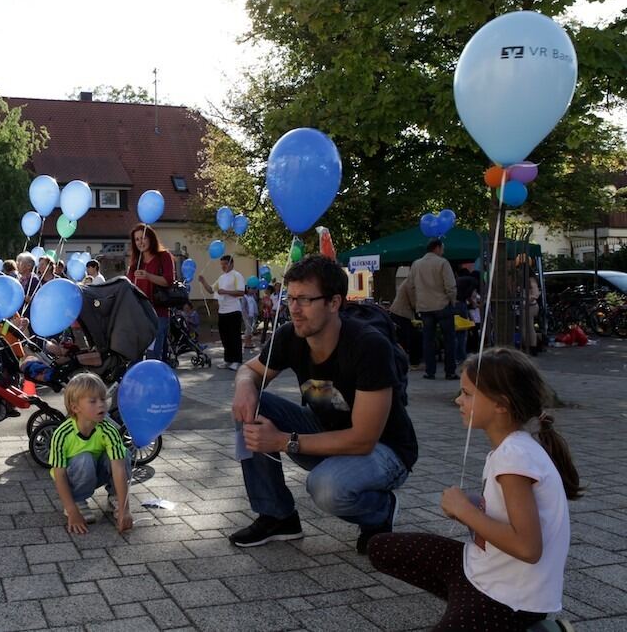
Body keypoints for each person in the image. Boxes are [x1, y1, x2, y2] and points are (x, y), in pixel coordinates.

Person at [369, 347, 580, 630]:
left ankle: (536, 629)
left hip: (510, 597)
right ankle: (466, 606)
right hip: (479, 567)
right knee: (380, 548)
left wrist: (465, 511)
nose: (458, 400)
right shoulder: (512, 448)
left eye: (467, 393)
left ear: (501, 404)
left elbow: (528, 548)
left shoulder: (514, 456)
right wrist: (474, 506)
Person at [229, 255, 417, 553]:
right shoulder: (291, 335)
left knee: (324, 487)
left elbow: (363, 439)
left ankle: (379, 512)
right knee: (252, 406)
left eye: (305, 300)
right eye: (290, 298)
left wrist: (283, 441)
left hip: (384, 450)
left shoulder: (369, 346)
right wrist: (243, 387)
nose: (293, 309)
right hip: (324, 431)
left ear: (334, 303)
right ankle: (278, 516)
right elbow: (249, 370)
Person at [48, 372, 132, 534]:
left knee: (123, 454)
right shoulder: (62, 434)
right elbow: (59, 476)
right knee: (84, 458)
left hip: (95, 473)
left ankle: (115, 498)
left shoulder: (108, 430)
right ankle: (78, 501)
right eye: (93, 401)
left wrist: (125, 508)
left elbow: (119, 468)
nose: (101, 405)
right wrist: (72, 511)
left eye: (102, 399)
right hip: (72, 479)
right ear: (75, 407)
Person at [407, 239, 458, 381]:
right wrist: (452, 300)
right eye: (442, 248)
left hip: (424, 306)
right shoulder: (442, 263)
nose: (443, 251)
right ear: (437, 248)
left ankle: (430, 372)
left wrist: (415, 303)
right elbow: (450, 285)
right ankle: (450, 371)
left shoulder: (416, 264)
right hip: (442, 305)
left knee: (428, 340)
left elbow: (410, 286)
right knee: (449, 340)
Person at [126, 224, 176, 361]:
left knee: (153, 355)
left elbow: (168, 281)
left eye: (143, 238)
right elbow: (129, 287)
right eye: (136, 239)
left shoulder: (164, 256)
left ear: (151, 238)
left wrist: (148, 275)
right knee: (136, 355)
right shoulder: (136, 262)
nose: (140, 242)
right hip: (139, 315)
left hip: (158, 314)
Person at [198, 254, 245, 371]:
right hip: (222, 311)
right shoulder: (221, 278)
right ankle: (228, 360)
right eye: (222, 264)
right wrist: (203, 281)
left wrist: (226, 292)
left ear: (231, 264)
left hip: (233, 310)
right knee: (225, 337)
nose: (223, 266)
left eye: (226, 264)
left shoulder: (237, 276)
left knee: (234, 336)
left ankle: (236, 360)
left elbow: (241, 292)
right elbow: (211, 290)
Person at [389, 277, 422, 368]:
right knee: (411, 338)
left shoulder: (409, 281)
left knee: (405, 338)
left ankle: (409, 362)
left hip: (399, 313)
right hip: (402, 313)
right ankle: (413, 363)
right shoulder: (411, 283)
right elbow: (414, 302)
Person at [526, 274, 541, 355]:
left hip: (531, 306)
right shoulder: (530, 280)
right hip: (529, 305)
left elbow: (536, 295)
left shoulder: (531, 280)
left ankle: (533, 347)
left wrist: (528, 299)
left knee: (530, 327)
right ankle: (532, 346)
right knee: (528, 327)